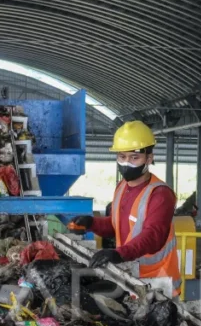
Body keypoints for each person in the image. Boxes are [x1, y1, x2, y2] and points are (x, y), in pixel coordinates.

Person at [69, 121, 181, 294]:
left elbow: (153, 236)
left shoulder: (160, 194)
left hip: (158, 284)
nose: (126, 163)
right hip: (131, 277)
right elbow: (117, 226)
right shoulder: (122, 187)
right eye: (122, 157)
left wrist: (119, 253)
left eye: (134, 158)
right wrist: (91, 223)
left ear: (149, 158)